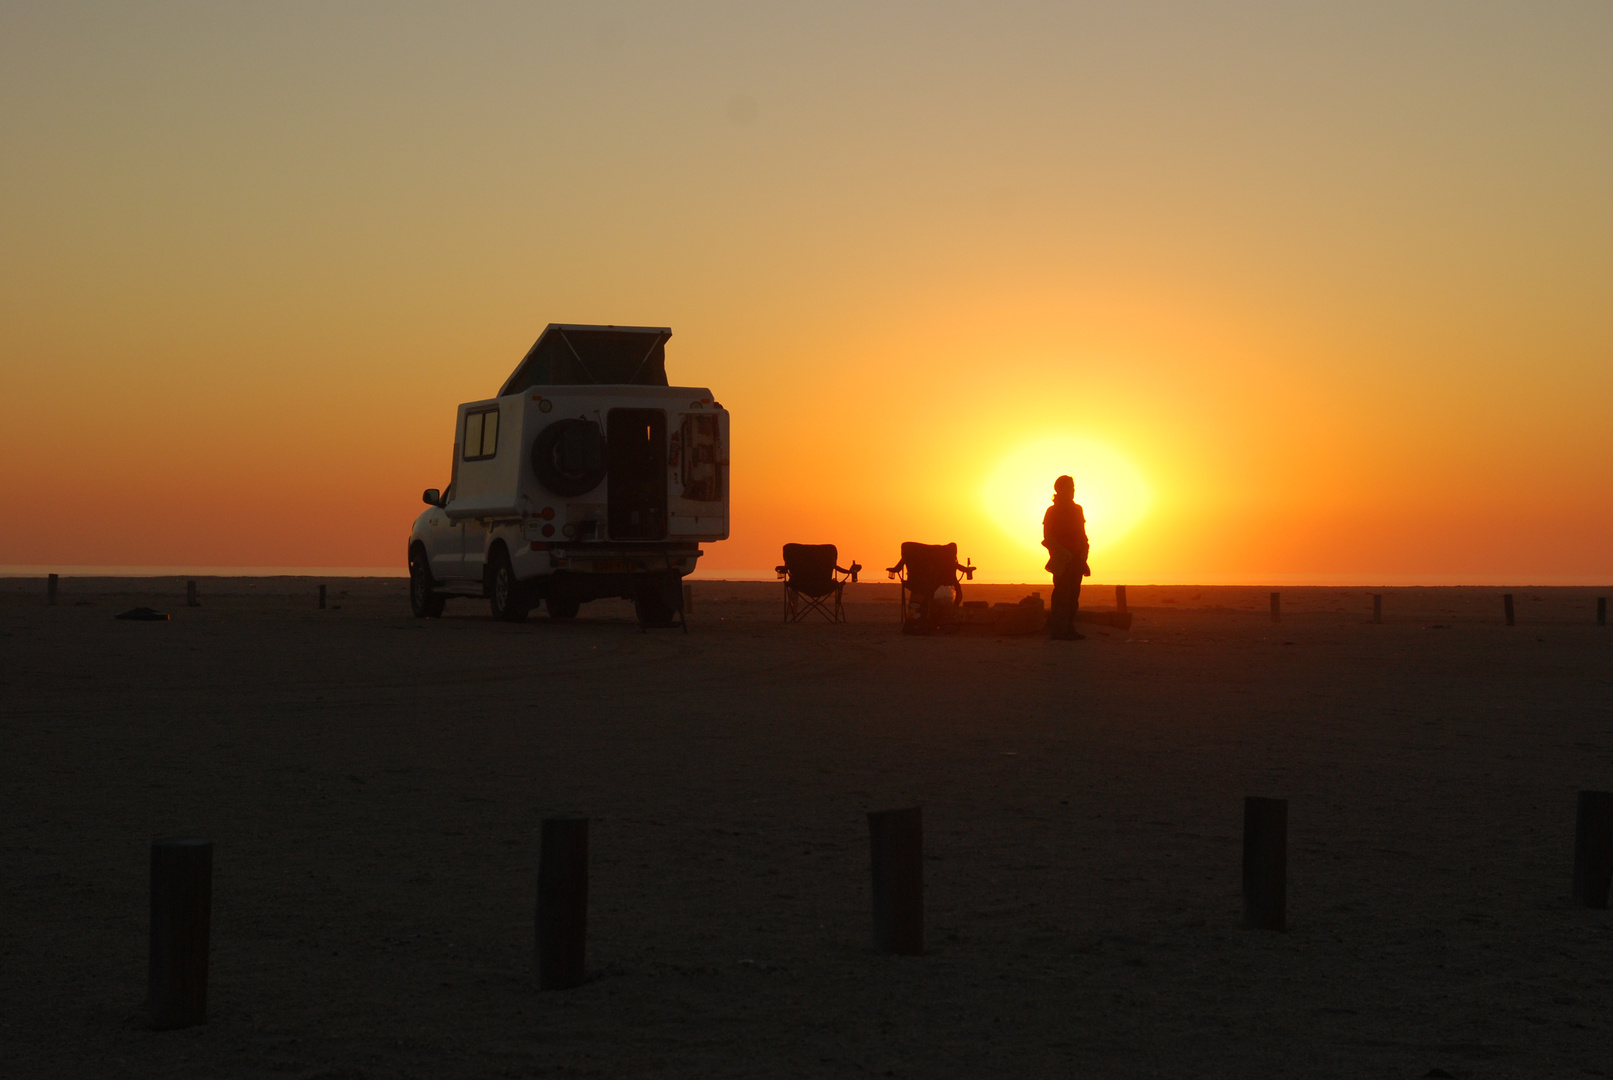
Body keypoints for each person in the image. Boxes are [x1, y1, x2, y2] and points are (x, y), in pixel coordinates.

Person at [1042, 475, 1090, 640]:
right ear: (1059, 490)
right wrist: (1063, 554)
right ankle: (1058, 630)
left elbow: (1083, 535)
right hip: (1062, 560)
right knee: (1061, 594)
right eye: (1069, 487)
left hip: (1077, 558)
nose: (1072, 491)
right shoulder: (1052, 511)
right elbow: (1048, 537)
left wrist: (1083, 554)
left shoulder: (1078, 509)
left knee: (1073, 596)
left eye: (1073, 487)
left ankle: (1069, 627)